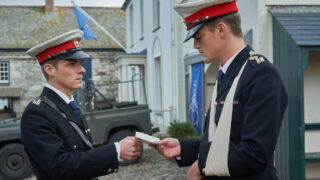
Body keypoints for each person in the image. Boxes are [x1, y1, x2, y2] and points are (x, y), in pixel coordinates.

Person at [150, 0, 288, 179]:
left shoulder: (261, 75)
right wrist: (182, 147)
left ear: (221, 30)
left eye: (199, 37)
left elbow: (255, 153)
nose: (195, 45)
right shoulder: (227, 73)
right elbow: (221, 142)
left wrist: (202, 165)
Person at [21, 29, 142, 180]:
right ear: (50, 69)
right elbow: (58, 167)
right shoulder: (37, 112)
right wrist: (116, 150)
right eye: (72, 64)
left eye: (80, 63)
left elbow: (82, 154)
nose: (82, 70)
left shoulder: (68, 104)